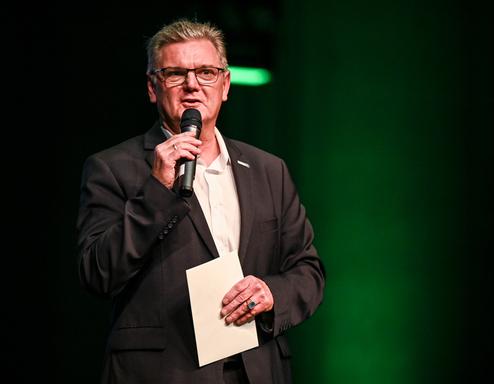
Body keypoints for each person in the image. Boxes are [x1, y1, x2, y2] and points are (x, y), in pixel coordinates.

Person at [76, 18, 325, 384]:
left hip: (257, 371)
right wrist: (157, 191)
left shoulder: (269, 170)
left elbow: (307, 270)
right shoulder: (113, 168)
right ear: (152, 87)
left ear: (225, 85)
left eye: (206, 72)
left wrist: (272, 292)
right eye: (176, 73)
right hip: (163, 374)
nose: (193, 85)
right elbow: (97, 273)